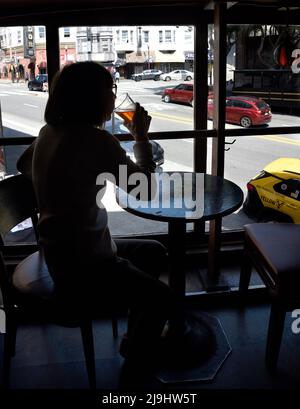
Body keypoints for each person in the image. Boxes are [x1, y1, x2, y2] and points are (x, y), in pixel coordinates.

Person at [17, 61, 179, 373]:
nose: (113, 98)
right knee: (162, 298)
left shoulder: (47, 132)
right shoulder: (96, 140)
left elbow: (25, 165)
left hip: (59, 251)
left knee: (154, 252)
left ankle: (136, 336)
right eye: (111, 90)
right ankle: (137, 364)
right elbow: (145, 191)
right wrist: (141, 136)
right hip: (86, 263)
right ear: (94, 98)